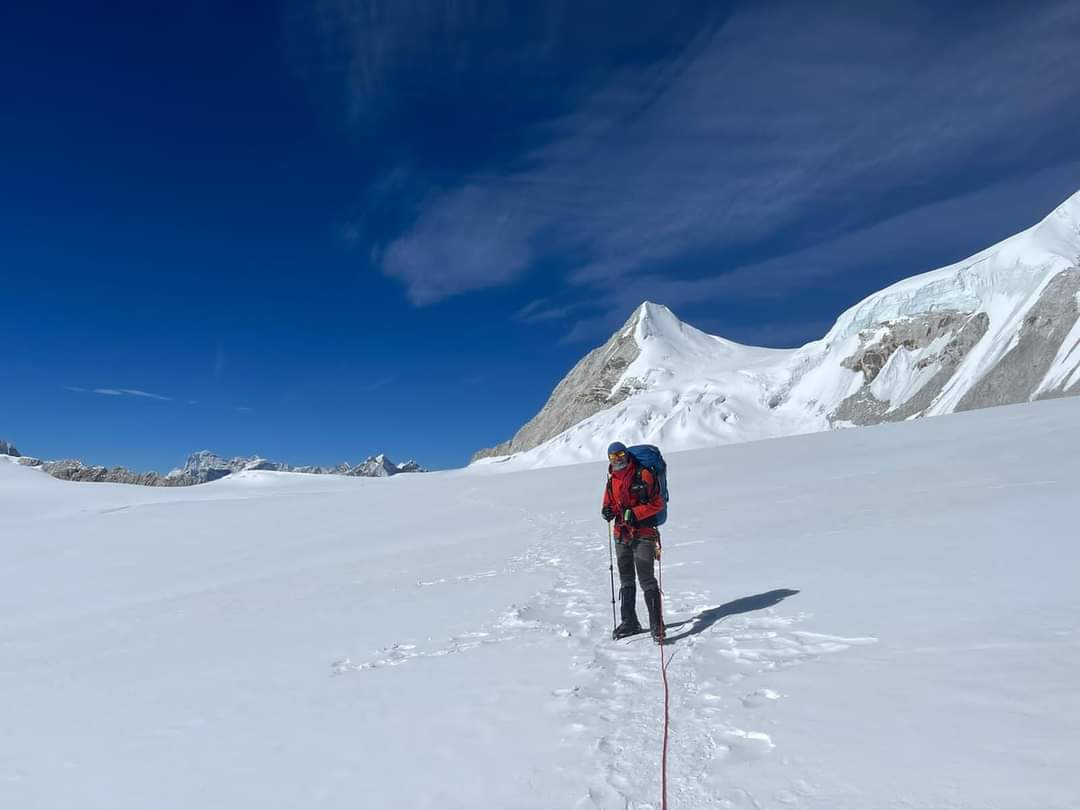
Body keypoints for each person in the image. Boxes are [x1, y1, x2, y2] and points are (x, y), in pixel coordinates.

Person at [601, 441, 665, 640]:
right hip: (621, 535)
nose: (618, 459)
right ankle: (630, 622)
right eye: (613, 456)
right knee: (626, 578)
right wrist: (607, 511)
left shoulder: (643, 473)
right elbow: (607, 504)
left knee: (646, 578)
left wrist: (635, 513)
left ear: (627, 454)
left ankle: (657, 626)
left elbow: (658, 503)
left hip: (644, 533)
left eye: (620, 454)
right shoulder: (612, 481)